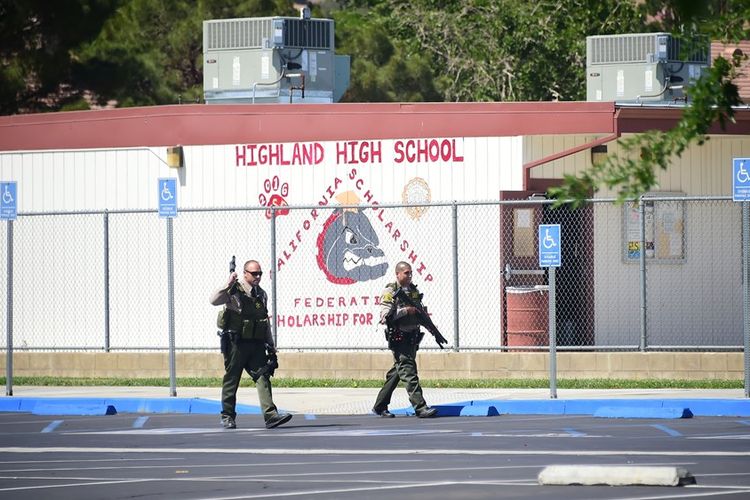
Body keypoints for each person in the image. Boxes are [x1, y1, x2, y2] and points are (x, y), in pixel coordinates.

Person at [210, 259, 292, 429]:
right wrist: (228, 283)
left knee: (263, 375)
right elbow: (213, 300)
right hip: (236, 344)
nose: (258, 276)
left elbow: (264, 320)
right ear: (245, 273)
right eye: (254, 273)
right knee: (232, 379)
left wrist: (270, 343)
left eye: (260, 273)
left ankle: (271, 416)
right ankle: (227, 416)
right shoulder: (234, 290)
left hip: (256, 344)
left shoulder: (261, 294)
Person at [372, 261, 438, 419]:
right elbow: (385, 316)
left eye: (410, 273)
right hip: (399, 338)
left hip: (412, 337)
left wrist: (428, 324)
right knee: (409, 372)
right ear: (398, 274)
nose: (409, 276)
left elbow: (420, 310)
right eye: (406, 273)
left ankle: (380, 405)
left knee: (397, 373)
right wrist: (405, 311)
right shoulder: (391, 290)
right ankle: (420, 407)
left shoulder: (413, 290)